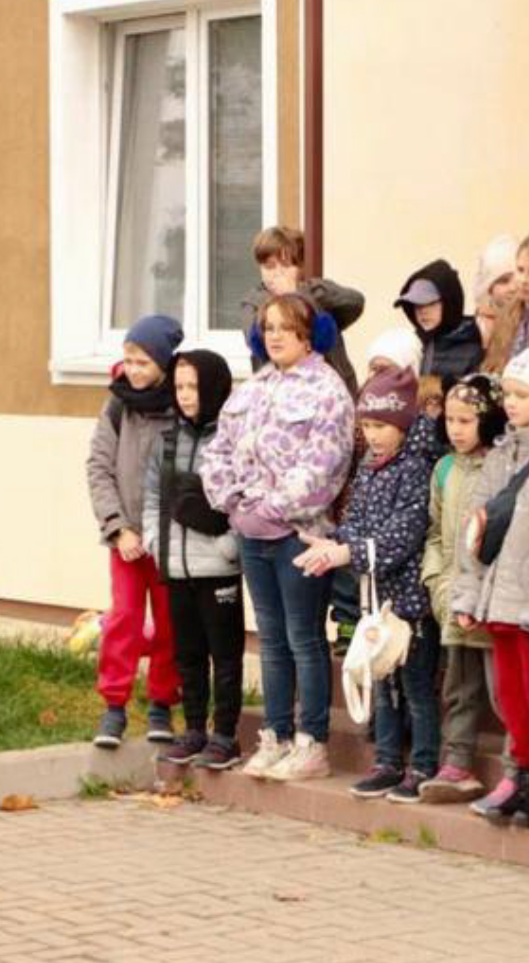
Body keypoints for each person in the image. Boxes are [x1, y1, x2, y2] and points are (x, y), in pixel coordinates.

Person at [201, 294, 355, 782]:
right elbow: (219, 449)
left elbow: (325, 464)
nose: (275, 335)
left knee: (302, 638)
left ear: (308, 334)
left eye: (286, 327)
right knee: (270, 640)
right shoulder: (254, 388)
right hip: (250, 531)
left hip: (298, 535)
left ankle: (311, 742)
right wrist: (233, 502)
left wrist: (274, 510)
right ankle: (276, 734)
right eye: (268, 327)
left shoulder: (327, 389)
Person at [298, 367, 442, 801]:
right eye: (367, 425)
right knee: (383, 685)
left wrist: (349, 554)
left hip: (409, 603)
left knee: (416, 687)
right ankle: (386, 761)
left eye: (381, 426)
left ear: (402, 424)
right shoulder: (369, 466)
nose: (372, 435)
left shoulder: (417, 468)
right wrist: (331, 543)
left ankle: (422, 764)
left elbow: (404, 534)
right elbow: (356, 522)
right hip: (373, 600)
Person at [452, 345, 529, 828]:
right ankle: (521, 774)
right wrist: (466, 594)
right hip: (496, 596)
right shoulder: (502, 454)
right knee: (513, 698)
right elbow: (473, 527)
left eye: (524, 394)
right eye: (509, 394)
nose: (513, 403)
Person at [143, 349, 246, 770]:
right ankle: (195, 729)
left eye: (194, 386)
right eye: (180, 386)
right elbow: (152, 497)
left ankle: (225, 736)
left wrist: (231, 544)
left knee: (224, 655)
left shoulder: (233, 438)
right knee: (187, 655)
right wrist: (154, 540)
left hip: (217, 568)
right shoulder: (166, 443)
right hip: (177, 567)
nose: (186, 395)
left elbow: (247, 494)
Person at [87, 315, 185, 748]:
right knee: (124, 619)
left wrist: (167, 532)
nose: (134, 370)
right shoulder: (117, 405)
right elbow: (98, 467)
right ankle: (113, 706)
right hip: (125, 539)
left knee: (169, 623)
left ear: (163, 363)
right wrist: (117, 528)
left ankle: (162, 703)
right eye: (128, 360)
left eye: (143, 361)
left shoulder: (180, 406)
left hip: (168, 542)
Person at [420, 375, 507, 805]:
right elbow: (436, 534)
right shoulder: (445, 468)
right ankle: (457, 761)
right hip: (454, 597)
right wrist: (436, 582)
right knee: (458, 684)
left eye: (467, 420)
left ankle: (519, 766)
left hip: (492, 600)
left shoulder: (503, 465)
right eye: (450, 419)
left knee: (503, 688)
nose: (456, 429)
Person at [241, 225, 365, 395]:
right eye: (269, 267)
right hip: (281, 394)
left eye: (285, 265)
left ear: (300, 267)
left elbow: (355, 302)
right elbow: (256, 340)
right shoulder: (254, 302)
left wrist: (297, 296)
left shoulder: (316, 291)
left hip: (331, 392)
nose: (277, 273)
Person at [396, 259, 485, 379]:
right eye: (417, 305)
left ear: (449, 304)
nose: (423, 311)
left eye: (431, 303)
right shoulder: (412, 345)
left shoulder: (474, 348)